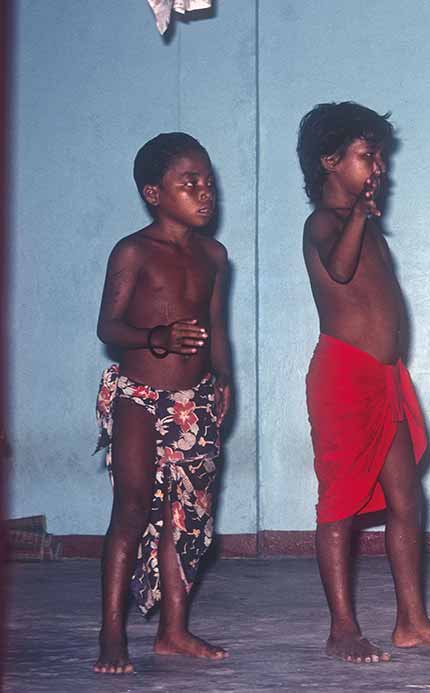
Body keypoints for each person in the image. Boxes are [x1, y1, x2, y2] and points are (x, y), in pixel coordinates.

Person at [298, 101, 430, 664]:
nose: (379, 169)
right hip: (344, 376)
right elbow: (341, 270)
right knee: (340, 505)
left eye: (381, 158)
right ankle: (342, 628)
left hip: (384, 377)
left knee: (407, 497)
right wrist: (358, 216)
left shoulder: (366, 226)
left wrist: (364, 217)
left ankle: (411, 620)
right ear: (330, 161)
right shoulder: (325, 223)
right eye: (368, 157)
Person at [94, 132, 232, 674]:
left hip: (194, 398)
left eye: (208, 181)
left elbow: (216, 325)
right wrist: (158, 339)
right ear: (154, 193)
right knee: (131, 507)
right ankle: (111, 631)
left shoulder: (214, 255)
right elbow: (109, 325)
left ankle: (174, 631)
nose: (204, 192)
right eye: (189, 183)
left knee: (187, 514)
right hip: (140, 396)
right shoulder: (133, 251)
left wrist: (223, 376)